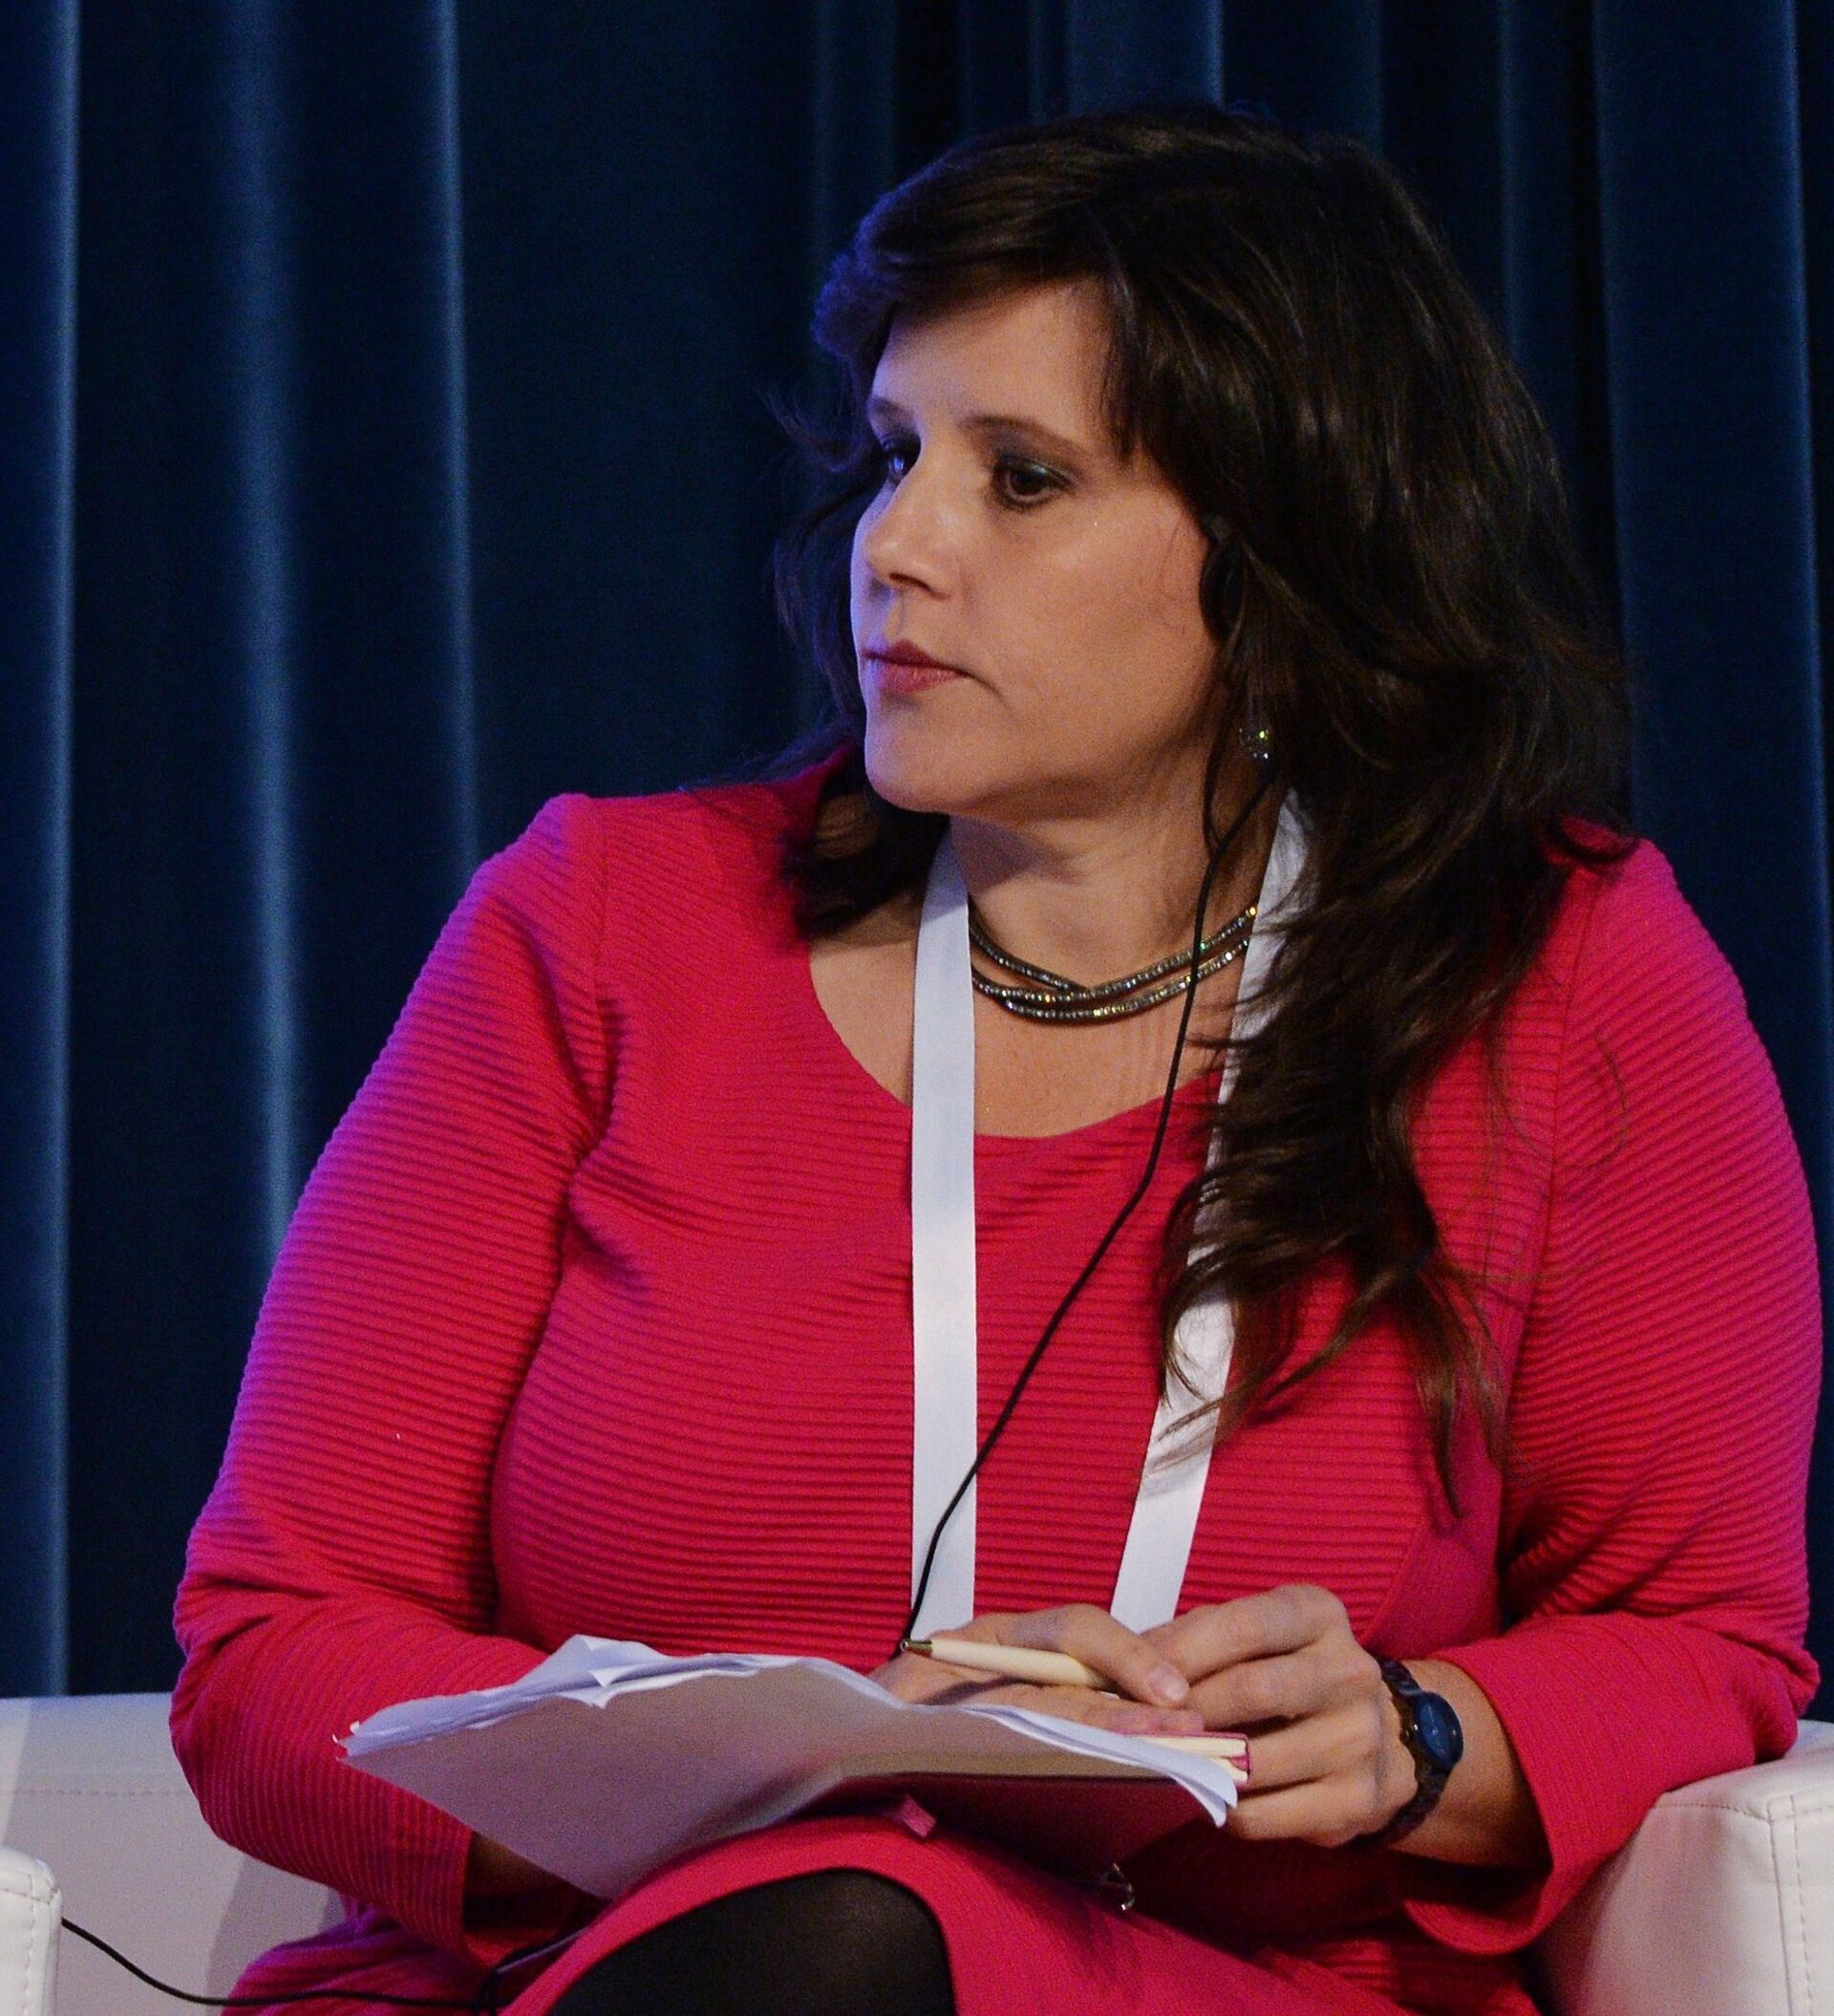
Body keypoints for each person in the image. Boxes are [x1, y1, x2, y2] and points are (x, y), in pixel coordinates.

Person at [171, 101, 1823, 2016]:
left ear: (1285, 552)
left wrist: (1416, 1730)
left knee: (867, 1938)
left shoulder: (1564, 976)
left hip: (1214, 1987)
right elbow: (273, 1651)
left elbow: (1698, 1630)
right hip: (590, 1973)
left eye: (1021, 478)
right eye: (896, 456)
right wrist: (801, 1760)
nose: (898, 544)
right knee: (845, 1931)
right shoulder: (600, 931)